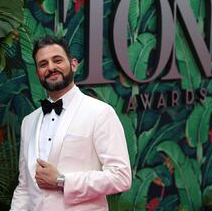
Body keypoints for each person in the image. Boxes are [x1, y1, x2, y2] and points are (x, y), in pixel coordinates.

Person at [10, 35, 131, 210]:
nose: (51, 67)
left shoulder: (100, 113)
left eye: (57, 60)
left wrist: (62, 180)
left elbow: (121, 177)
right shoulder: (28, 122)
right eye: (43, 64)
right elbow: (24, 187)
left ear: (73, 64)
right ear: (37, 73)